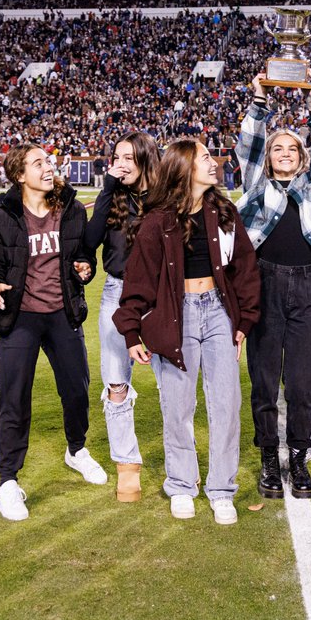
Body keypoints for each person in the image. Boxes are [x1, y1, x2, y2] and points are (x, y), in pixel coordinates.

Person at [113, 139, 260, 525]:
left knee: (226, 404)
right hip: (175, 317)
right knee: (177, 406)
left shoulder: (225, 211)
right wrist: (132, 334)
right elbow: (138, 282)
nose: (214, 163)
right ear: (185, 167)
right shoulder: (157, 221)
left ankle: (222, 489)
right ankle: (181, 484)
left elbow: (244, 268)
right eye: (206, 157)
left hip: (217, 314)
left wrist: (243, 322)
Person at [0, 143, 105, 522]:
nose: (48, 167)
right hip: (21, 318)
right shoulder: (0, 215)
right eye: (38, 163)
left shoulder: (72, 207)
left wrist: (84, 267)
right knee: (14, 398)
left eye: (48, 161)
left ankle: (76, 449)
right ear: (20, 175)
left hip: (62, 313)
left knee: (77, 389)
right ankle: (8, 480)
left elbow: (82, 255)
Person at [236, 71, 311, 500]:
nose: (284, 153)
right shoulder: (256, 185)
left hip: (308, 286)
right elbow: (250, 146)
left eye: (292, 148)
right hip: (264, 283)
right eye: (277, 148)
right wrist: (260, 99)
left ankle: (298, 456)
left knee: (300, 382)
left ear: (300, 156)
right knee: (263, 379)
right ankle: (268, 459)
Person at [84, 130, 160, 502]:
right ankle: (126, 466)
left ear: (147, 159)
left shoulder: (165, 199)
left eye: (129, 157)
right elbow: (88, 241)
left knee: (172, 384)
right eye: (117, 157)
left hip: (161, 298)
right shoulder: (111, 197)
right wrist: (106, 188)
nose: (121, 163)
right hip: (117, 293)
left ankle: (182, 464)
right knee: (116, 383)